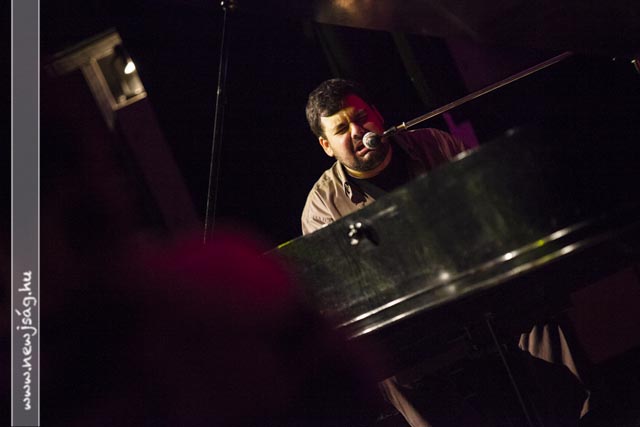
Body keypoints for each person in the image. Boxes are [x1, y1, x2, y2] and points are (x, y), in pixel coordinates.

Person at [300, 78, 590, 426]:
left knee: (539, 308)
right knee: (389, 371)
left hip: (478, 284)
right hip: (410, 322)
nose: (357, 131)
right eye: (341, 129)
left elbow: (494, 205)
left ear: (378, 114)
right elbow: (341, 297)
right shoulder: (322, 207)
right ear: (326, 146)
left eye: (361, 118)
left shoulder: (434, 143)